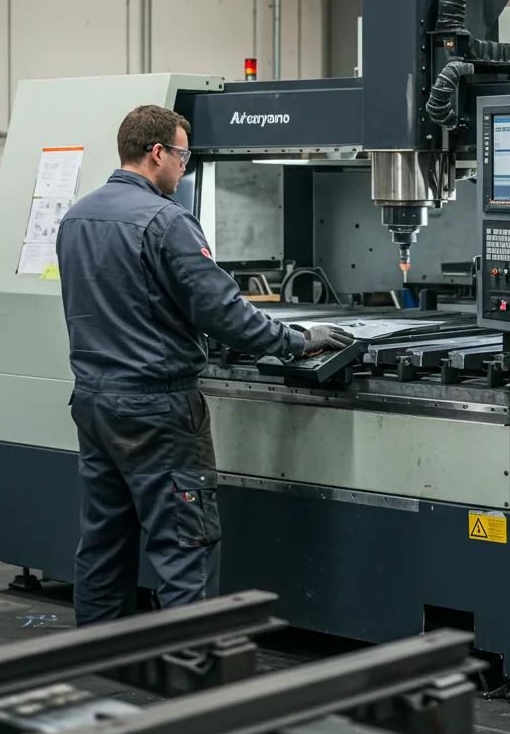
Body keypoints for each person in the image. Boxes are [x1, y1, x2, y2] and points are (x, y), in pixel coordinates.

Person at [55, 104, 353, 625]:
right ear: (157, 154)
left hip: (94, 402)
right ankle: (191, 672)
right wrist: (296, 341)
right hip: (158, 409)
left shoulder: (77, 217)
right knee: (183, 542)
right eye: (183, 156)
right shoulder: (167, 222)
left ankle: (95, 658)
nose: (185, 169)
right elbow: (225, 314)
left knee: (103, 539)